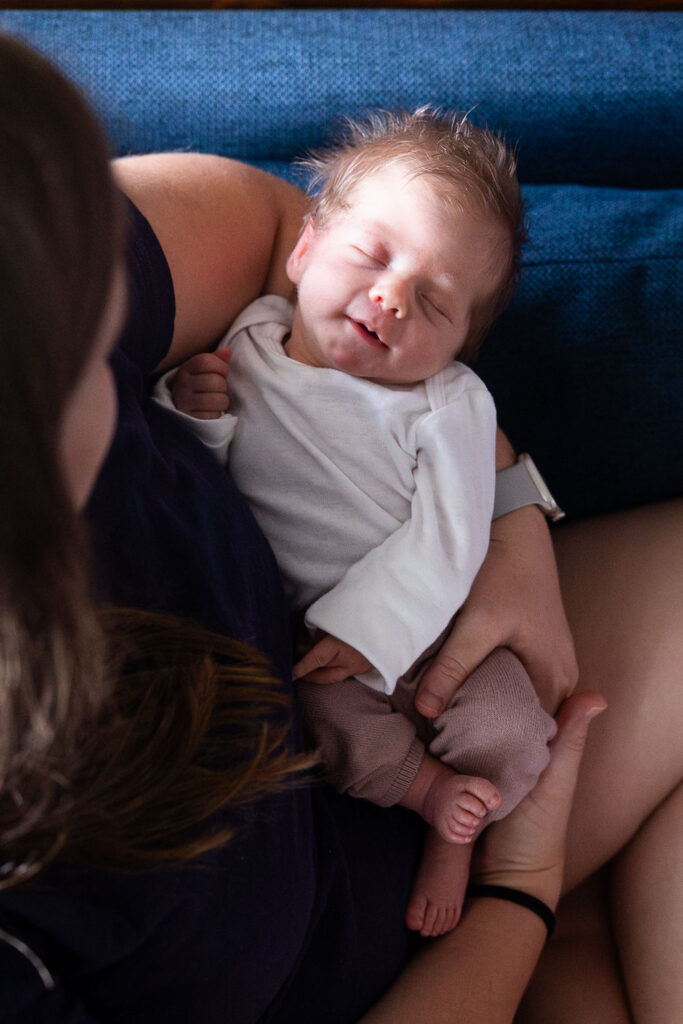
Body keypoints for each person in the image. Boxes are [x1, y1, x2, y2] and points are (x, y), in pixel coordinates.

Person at [0, 33, 680, 1024]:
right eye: (88, 342)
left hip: (436, 670)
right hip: (412, 909)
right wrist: (518, 889)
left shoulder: (42, 276)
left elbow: (277, 226)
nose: (121, 343)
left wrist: (507, 518)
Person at [154, 108, 557, 937]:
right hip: (314, 645)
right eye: (372, 256)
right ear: (304, 249)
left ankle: (461, 838)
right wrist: (195, 414)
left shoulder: (447, 404)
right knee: (324, 723)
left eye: (434, 303)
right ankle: (432, 800)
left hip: (434, 630)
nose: (391, 297)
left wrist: (370, 631)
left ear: (459, 348)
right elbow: (202, 487)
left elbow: (452, 536)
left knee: (512, 727)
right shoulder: (247, 341)